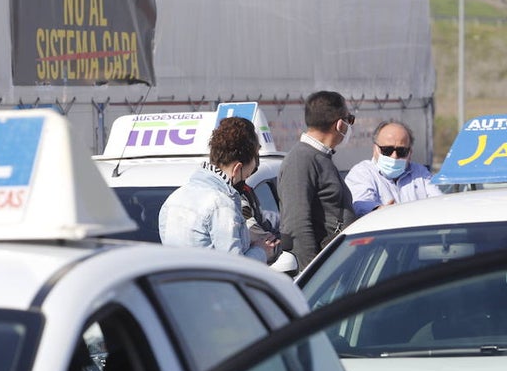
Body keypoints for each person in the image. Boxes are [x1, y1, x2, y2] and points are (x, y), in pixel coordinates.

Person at [157, 116, 278, 262]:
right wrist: (262, 251)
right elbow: (236, 269)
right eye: (248, 172)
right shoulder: (221, 204)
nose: (248, 175)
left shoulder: (174, 199)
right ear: (237, 168)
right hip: (212, 285)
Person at [277, 91, 357, 270]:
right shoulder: (301, 160)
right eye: (349, 119)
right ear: (339, 124)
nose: (350, 125)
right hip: (323, 272)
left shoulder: (322, 157)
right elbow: (297, 226)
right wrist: (314, 278)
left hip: (338, 265)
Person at [344, 120, 443, 216]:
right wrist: (379, 211)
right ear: (375, 149)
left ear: (410, 153)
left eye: (401, 151)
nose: (394, 156)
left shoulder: (420, 173)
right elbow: (361, 204)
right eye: (387, 150)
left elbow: (439, 202)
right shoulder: (362, 173)